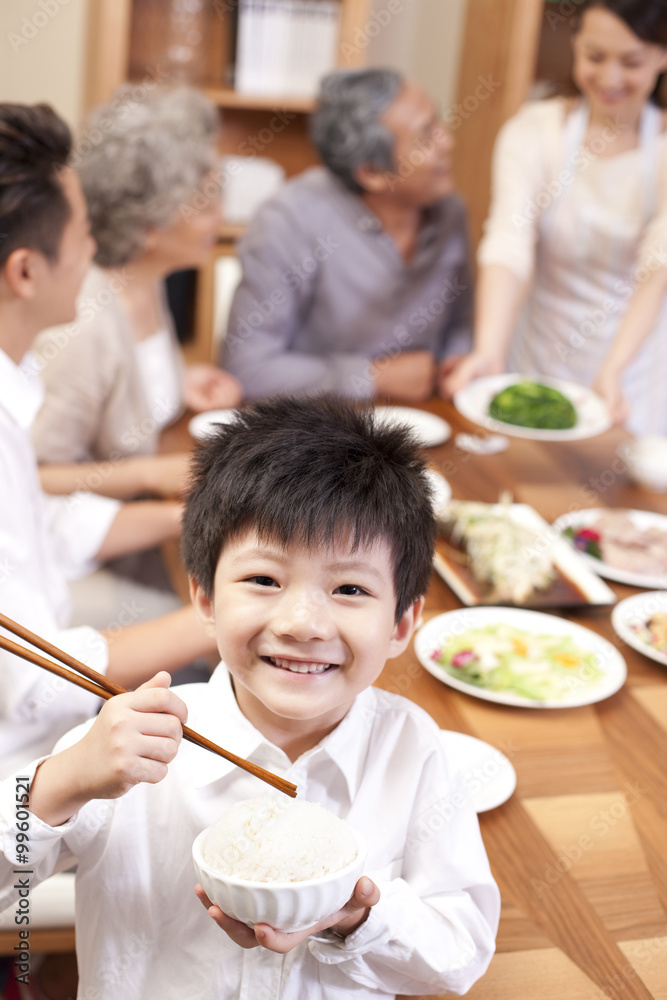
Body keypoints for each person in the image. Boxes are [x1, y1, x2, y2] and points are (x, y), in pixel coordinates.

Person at [0, 396, 500, 1000]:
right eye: (264, 579)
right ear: (205, 598)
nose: (302, 623)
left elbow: (461, 953)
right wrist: (61, 785)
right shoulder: (123, 743)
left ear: (401, 622)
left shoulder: (410, 747)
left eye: (348, 587)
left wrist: (356, 915)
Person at [0, 102, 217, 780]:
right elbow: (34, 679)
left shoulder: (16, 383)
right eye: (85, 232)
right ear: (26, 272)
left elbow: (41, 533)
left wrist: (180, 514)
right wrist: (234, 616)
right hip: (26, 790)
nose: (96, 251)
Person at [444, 0, 667, 436]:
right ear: (575, 44)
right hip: (537, 355)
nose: (610, 78)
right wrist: (489, 350)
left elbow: (657, 267)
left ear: (662, 56)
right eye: (594, 56)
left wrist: (615, 368)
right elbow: (508, 241)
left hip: (632, 370)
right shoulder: (534, 131)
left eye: (632, 61)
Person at [31, 85, 242, 503]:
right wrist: (149, 474)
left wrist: (180, 383)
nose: (221, 217)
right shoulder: (81, 325)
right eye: (203, 205)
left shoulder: (148, 280)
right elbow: (36, 476)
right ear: (147, 225)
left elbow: (125, 386)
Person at [222, 69, 472, 404]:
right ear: (372, 173)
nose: (449, 142)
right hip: (319, 433)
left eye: (439, 123)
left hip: (425, 422)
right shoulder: (288, 222)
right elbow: (248, 370)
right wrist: (371, 377)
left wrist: (456, 361)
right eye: (426, 137)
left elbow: (462, 321)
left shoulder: (449, 210)